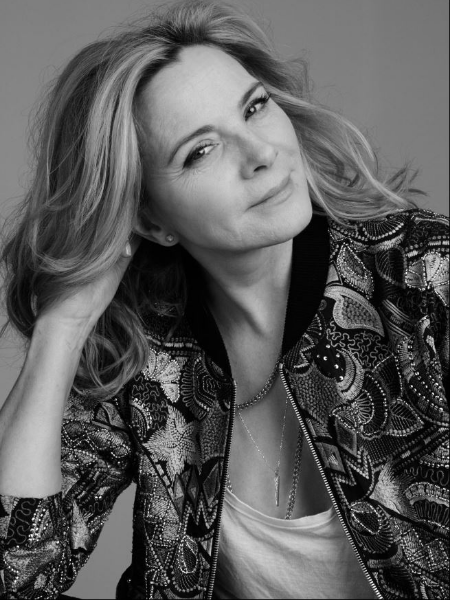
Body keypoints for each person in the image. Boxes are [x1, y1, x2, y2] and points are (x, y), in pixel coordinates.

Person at [0, 0, 448, 598]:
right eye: (201, 151)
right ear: (151, 219)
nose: (261, 154)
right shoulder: (142, 352)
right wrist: (63, 327)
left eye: (255, 107)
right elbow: (16, 574)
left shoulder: (420, 277)